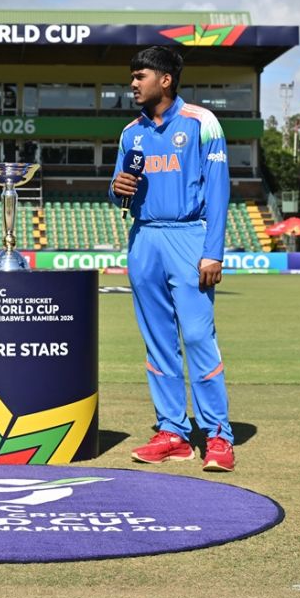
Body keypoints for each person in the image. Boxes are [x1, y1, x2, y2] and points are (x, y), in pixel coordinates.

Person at [110, 45, 236, 473]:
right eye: (132, 76)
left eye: (139, 76)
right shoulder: (131, 132)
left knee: (198, 337)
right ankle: (173, 433)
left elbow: (219, 190)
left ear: (165, 80)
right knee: (158, 341)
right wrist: (118, 188)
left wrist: (212, 251)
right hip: (144, 238)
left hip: (189, 236)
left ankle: (218, 435)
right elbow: (118, 188)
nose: (132, 83)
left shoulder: (202, 122)